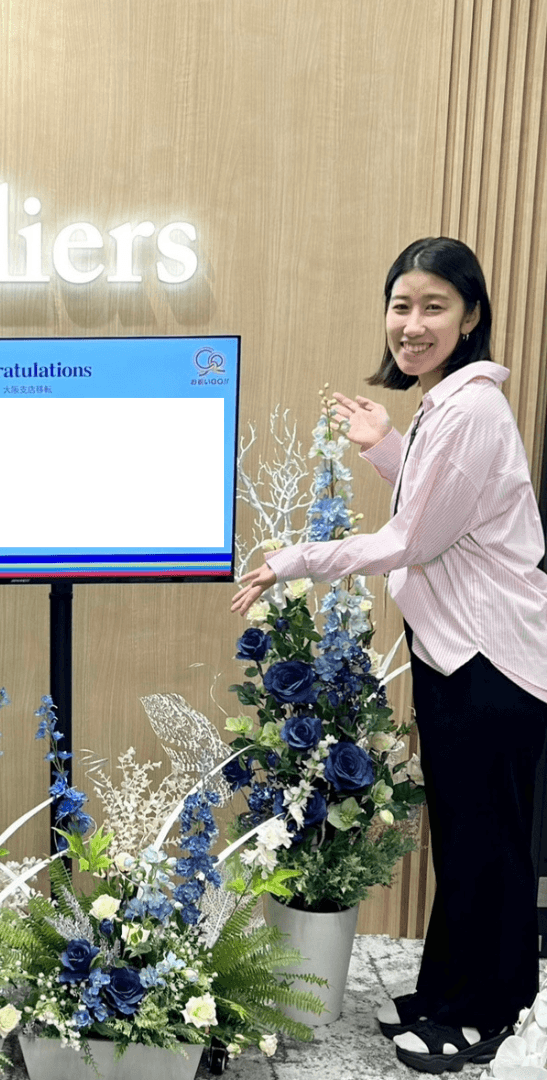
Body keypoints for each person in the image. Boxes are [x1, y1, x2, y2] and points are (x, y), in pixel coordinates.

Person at [231, 237, 547, 1074]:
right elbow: (444, 505)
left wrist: (296, 558)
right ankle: (449, 991)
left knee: (489, 845)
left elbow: (412, 538)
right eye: (401, 305)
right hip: (461, 655)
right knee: (466, 837)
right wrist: (385, 445)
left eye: (434, 306)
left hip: (492, 660)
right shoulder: (449, 404)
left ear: (471, 317)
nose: (412, 323)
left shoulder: (470, 408)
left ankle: (486, 1013)